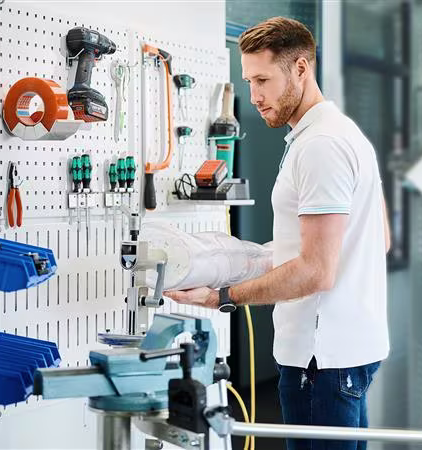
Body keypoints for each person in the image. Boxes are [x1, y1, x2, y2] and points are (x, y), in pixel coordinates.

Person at [165, 16, 391, 450]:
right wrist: (237, 260)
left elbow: (317, 271)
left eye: (263, 80)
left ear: (301, 68)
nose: (254, 96)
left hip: (319, 361)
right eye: (249, 81)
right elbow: (371, 241)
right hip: (347, 354)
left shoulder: (320, 146)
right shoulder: (344, 135)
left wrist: (222, 297)